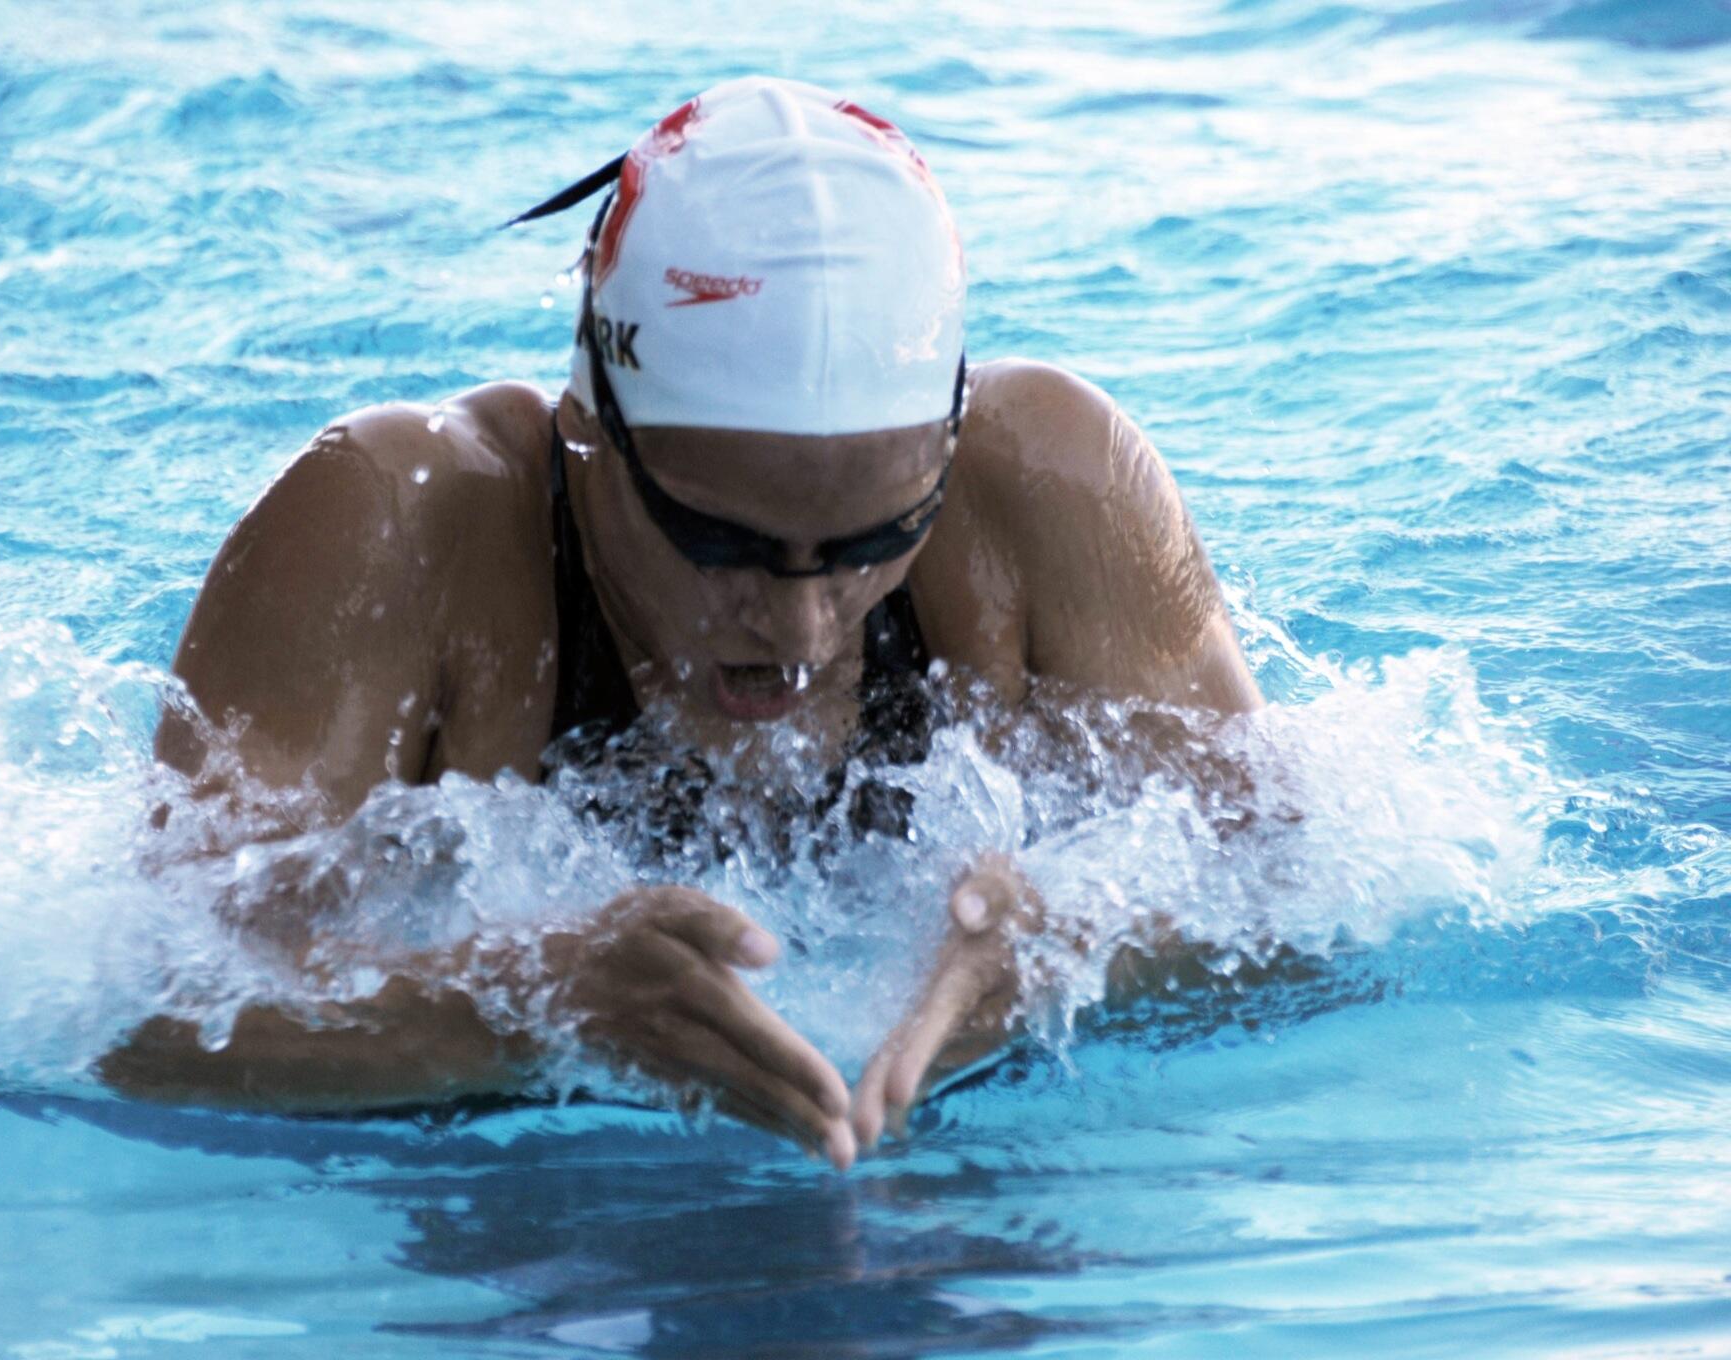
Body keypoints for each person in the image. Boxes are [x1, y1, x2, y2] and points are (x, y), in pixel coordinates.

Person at [99, 76, 1262, 1170]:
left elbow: (1307, 900)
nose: (803, 628)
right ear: (590, 418)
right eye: (719, 543)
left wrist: (1084, 949)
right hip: (519, 1180)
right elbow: (144, 1022)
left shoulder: (1055, 483)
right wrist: (526, 1000)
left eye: (872, 542)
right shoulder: (393, 528)